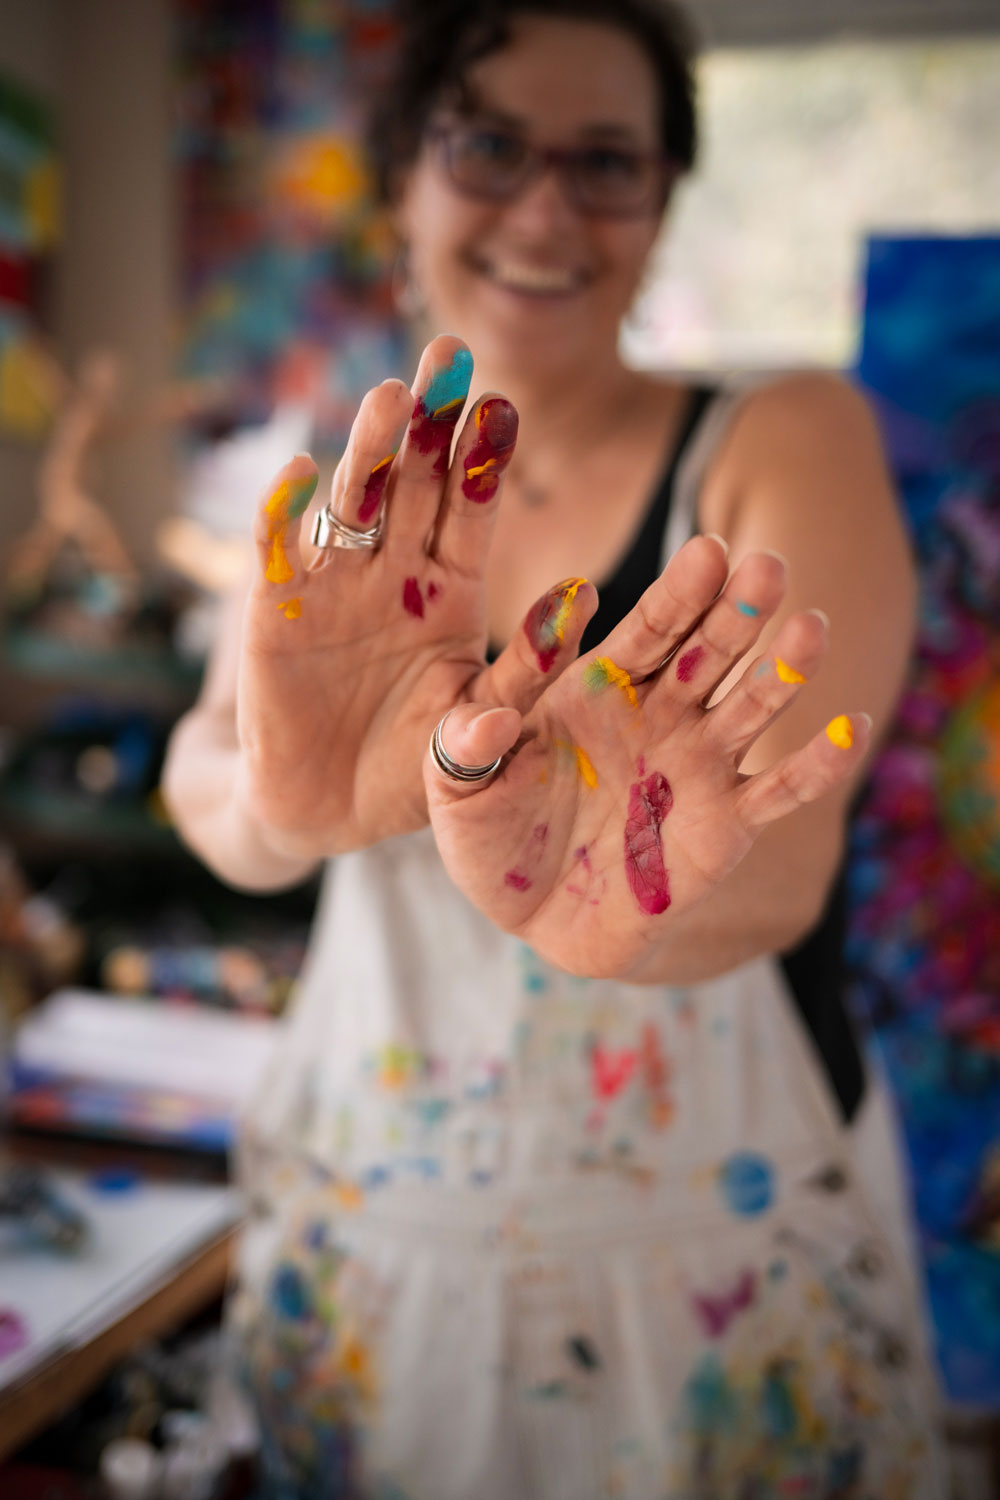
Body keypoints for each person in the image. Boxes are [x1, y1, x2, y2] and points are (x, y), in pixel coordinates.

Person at [163, 1, 947, 1495]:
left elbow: (783, 856)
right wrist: (293, 801)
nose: (543, 209)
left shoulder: (782, 439)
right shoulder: (347, 472)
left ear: (661, 204)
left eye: (607, 163)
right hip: (374, 1269)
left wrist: (625, 903)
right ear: (404, 181)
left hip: (720, 1299)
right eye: (487, 146)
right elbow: (209, 785)